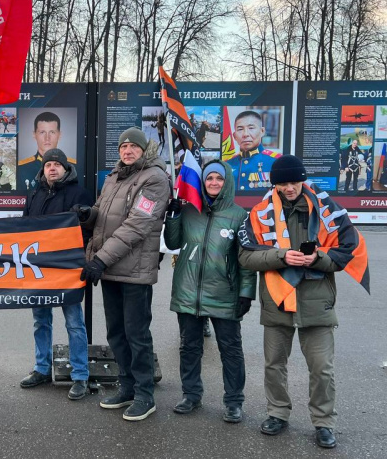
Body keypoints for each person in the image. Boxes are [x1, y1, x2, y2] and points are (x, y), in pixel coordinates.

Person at [238, 155, 366, 450]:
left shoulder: (328, 210)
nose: (289, 187)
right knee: (274, 365)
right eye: (282, 182)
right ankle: (277, 414)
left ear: (303, 180)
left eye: (294, 181)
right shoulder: (259, 214)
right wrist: (280, 255)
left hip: (316, 302)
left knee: (322, 369)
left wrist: (317, 257)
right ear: (275, 184)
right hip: (277, 300)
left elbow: (347, 251)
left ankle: (323, 423)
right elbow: (246, 256)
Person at [75, 127, 169, 422]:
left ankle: (144, 395)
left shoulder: (154, 179)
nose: (127, 151)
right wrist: (87, 215)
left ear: (144, 150)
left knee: (136, 335)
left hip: (134, 271)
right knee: (116, 332)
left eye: (133, 146)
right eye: (123, 147)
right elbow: (103, 215)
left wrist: (99, 259)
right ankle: (126, 387)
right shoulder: (114, 177)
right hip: (111, 268)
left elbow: (137, 225)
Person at [163, 161, 256, 423]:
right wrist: (173, 216)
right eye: (209, 178)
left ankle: (234, 401)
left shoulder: (240, 216)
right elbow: (173, 243)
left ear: (227, 182)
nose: (213, 182)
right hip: (188, 291)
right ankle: (191, 394)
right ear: (202, 182)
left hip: (224, 293)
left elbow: (246, 260)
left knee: (231, 349)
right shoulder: (190, 210)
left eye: (219, 178)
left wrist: (246, 292)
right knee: (189, 347)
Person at [19, 149, 93, 400]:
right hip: (39, 270)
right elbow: (23, 229)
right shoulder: (35, 194)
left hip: (67, 269)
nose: (52, 168)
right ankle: (42, 368)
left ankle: (81, 375)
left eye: (57, 164)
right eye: (48, 164)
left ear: (65, 168)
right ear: (43, 168)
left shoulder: (78, 193)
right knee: (41, 320)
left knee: (74, 323)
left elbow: (89, 229)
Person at [18, 112, 77, 190]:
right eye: (42, 132)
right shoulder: (21, 169)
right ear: (34, 134)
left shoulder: (73, 167)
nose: (47, 138)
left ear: (59, 134)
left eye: (52, 132)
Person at [226, 110, 280, 191]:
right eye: (240, 129)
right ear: (234, 136)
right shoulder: (227, 164)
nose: (245, 134)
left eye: (251, 128)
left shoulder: (276, 162)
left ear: (262, 131)